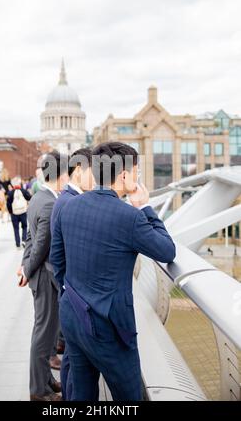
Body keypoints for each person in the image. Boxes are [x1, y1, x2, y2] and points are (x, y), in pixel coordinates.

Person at [50, 142, 176, 401]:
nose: (138, 177)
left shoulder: (68, 206)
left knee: (81, 393)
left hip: (73, 315)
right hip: (110, 329)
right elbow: (166, 251)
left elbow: (58, 262)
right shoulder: (130, 217)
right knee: (129, 397)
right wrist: (144, 207)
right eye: (137, 172)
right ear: (124, 176)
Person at [17, 151, 69, 402]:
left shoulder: (38, 197)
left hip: (39, 275)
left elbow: (29, 238)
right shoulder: (49, 203)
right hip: (46, 278)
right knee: (43, 335)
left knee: (46, 333)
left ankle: (46, 381)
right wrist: (27, 268)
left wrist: (24, 265)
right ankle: (39, 390)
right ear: (60, 176)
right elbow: (40, 245)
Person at [50, 147, 94, 400]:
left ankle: (66, 396)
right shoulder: (69, 202)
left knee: (70, 356)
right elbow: (58, 256)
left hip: (70, 293)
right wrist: (69, 289)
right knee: (75, 363)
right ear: (78, 170)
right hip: (74, 295)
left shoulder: (65, 198)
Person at [6, 176, 31, 249]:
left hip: (14, 213)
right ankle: (24, 240)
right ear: (20, 183)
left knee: (16, 228)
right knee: (24, 227)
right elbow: (29, 197)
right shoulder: (23, 191)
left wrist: (11, 211)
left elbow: (8, 204)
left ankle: (17, 244)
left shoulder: (10, 193)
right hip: (23, 212)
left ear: (13, 184)